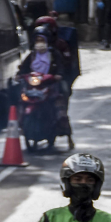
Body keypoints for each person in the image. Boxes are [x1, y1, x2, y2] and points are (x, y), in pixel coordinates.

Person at [33, 16, 78, 149]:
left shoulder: (59, 46)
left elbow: (65, 64)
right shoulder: (34, 50)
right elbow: (26, 65)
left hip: (55, 80)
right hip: (38, 82)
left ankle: (68, 135)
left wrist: (59, 74)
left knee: (61, 103)